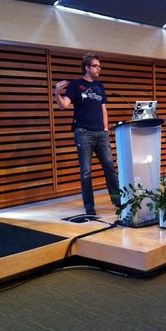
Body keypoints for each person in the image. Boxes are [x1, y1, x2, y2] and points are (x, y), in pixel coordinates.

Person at [53, 53, 119, 216]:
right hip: (83, 133)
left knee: (110, 168)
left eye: (99, 66)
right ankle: (89, 206)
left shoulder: (99, 86)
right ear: (87, 67)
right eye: (96, 66)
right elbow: (63, 106)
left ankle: (118, 200)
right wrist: (56, 93)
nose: (99, 69)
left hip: (101, 133)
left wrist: (105, 129)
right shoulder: (76, 85)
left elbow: (103, 109)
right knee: (86, 171)